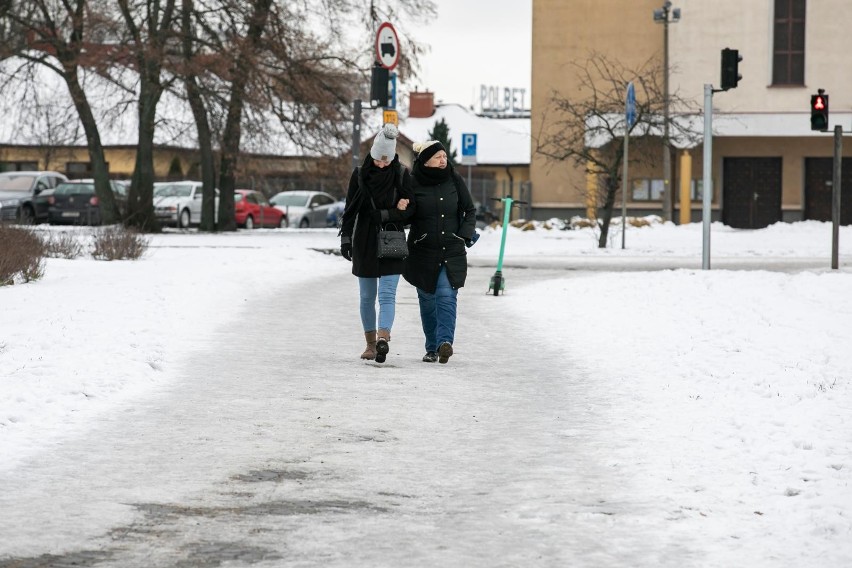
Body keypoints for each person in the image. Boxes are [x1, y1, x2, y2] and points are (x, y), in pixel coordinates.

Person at [338, 123, 410, 363]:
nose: (381, 164)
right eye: (378, 159)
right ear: (372, 154)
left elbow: (411, 212)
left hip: (392, 238)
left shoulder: (401, 174)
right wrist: (346, 239)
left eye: (386, 160)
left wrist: (388, 214)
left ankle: (382, 339)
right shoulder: (359, 175)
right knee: (367, 296)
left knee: (387, 294)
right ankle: (369, 344)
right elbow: (349, 210)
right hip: (365, 239)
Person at [400, 140, 477, 364]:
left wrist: (463, 234)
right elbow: (407, 218)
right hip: (422, 251)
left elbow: (469, 210)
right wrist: (401, 207)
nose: (444, 160)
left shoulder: (454, 178)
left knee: (446, 294)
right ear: (425, 160)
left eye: (444, 156)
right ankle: (431, 347)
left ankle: (445, 343)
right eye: (438, 157)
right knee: (427, 299)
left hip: (451, 248)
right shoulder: (412, 182)